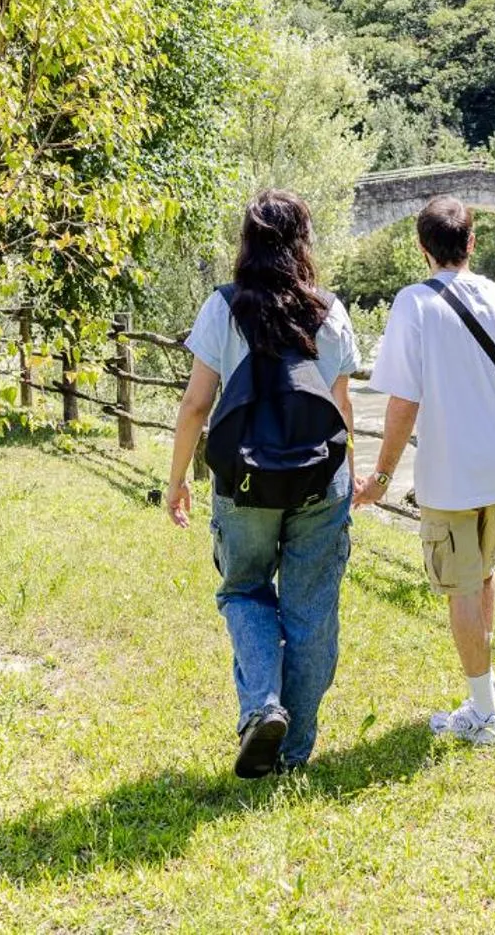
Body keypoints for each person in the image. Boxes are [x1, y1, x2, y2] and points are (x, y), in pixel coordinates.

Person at [166, 190, 360, 778]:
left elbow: (198, 403)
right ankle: (294, 751)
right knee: (311, 612)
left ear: (247, 242)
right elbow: (343, 407)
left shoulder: (223, 307)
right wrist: (351, 480)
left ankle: (262, 708)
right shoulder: (329, 311)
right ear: (305, 240)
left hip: (242, 481)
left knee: (244, 590)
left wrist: (177, 480)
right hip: (317, 484)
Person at [354, 194, 495, 746]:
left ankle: (485, 718)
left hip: (449, 472)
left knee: (461, 586)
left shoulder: (414, 304)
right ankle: (484, 688)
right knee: (482, 574)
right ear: (472, 242)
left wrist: (383, 477)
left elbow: (403, 403)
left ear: (422, 248)